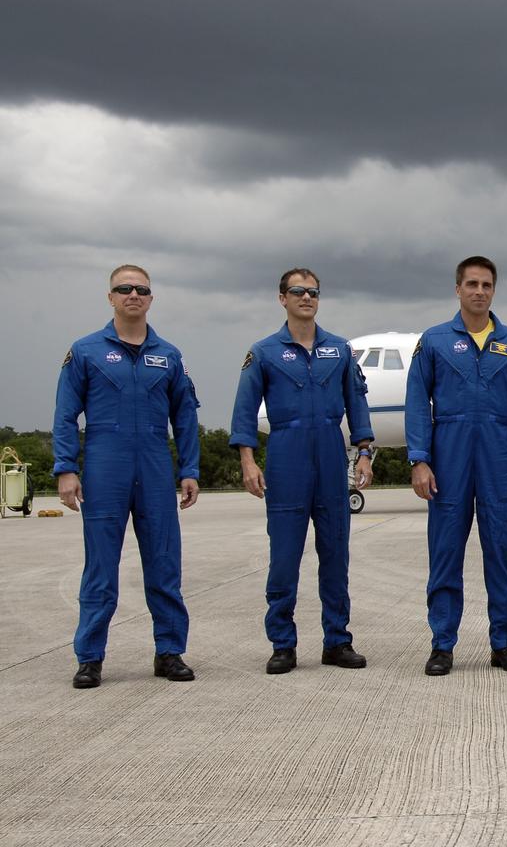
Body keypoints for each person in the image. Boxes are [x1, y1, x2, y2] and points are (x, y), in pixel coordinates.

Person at [53, 264, 201, 688]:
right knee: (100, 567)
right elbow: (65, 415)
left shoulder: (169, 356)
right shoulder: (85, 352)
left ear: (151, 298)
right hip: (105, 465)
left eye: (141, 289)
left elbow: (185, 418)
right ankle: (90, 657)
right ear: (111, 297)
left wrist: (189, 469)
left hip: (155, 465)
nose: (133, 294)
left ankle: (169, 652)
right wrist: (66, 468)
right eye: (124, 289)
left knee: (164, 563)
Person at [230, 268, 374, 674]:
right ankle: (282, 643)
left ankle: (337, 640)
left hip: (330, 454)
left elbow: (356, 403)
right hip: (286, 456)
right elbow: (244, 411)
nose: (306, 298)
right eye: (298, 291)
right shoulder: (263, 353)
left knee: (335, 554)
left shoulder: (340, 350)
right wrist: (247, 460)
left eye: (313, 292)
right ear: (282, 298)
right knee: (284, 557)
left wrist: (363, 451)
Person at [406, 256, 507, 677]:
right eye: (472, 284)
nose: (479, 291)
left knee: (501, 552)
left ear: (494, 290)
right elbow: (416, 402)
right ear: (458, 289)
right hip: (448, 455)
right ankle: (442, 644)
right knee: (445, 551)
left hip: (500, 455)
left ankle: (504, 643)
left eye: (486, 285)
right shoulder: (434, 341)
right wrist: (419, 459)